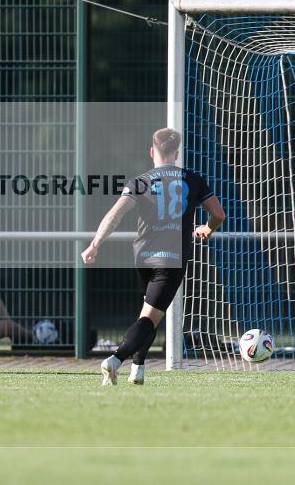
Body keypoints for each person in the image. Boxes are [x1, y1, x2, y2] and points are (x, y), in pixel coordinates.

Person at [81, 128, 225, 385]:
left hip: (143, 258)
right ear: (177, 153)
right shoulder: (192, 180)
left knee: (149, 313)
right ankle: (115, 360)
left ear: (152, 152)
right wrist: (207, 228)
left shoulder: (139, 181)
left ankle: (138, 367)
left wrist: (95, 244)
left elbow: (115, 214)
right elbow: (219, 214)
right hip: (171, 260)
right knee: (150, 319)